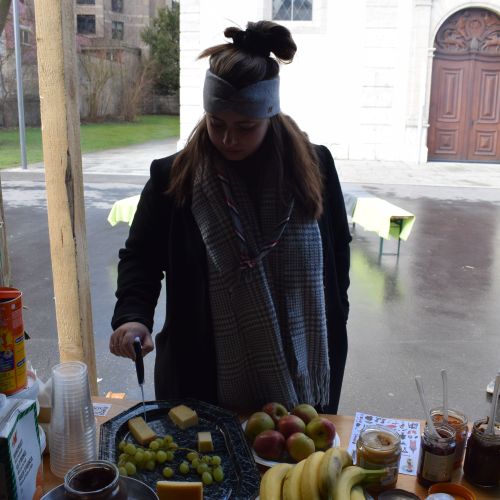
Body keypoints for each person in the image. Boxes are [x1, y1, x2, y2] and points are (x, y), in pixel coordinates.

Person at [109, 20, 351, 414]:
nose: (227, 138)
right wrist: (133, 317)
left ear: (270, 114)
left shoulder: (316, 166)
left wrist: (336, 314)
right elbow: (141, 257)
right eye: (216, 123)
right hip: (202, 376)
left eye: (245, 126)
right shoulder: (173, 177)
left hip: (304, 370)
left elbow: (338, 251)